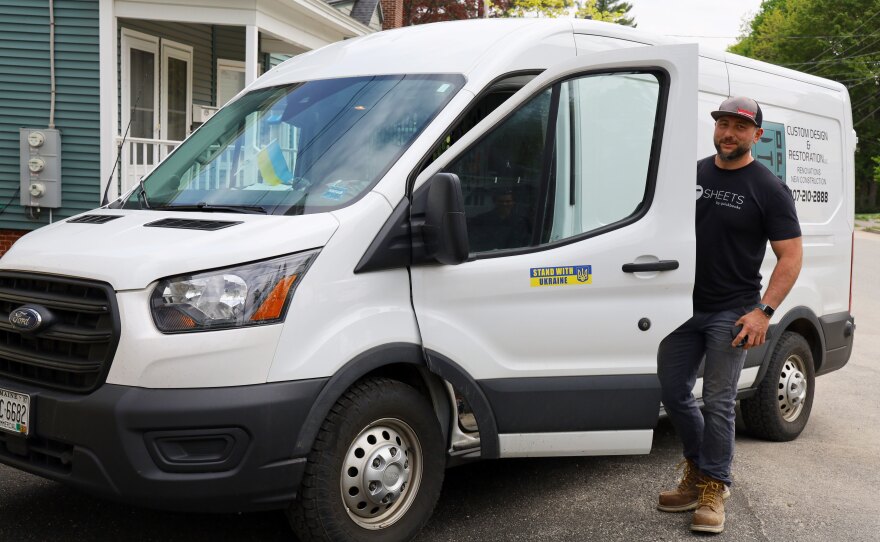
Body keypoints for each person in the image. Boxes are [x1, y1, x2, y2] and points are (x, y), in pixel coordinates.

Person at [656, 97, 803, 534]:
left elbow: (791, 257)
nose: (728, 133)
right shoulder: (691, 174)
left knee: (719, 402)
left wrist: (764, 312)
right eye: (722, 124)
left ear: (757, 135)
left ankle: (714, 488)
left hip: (733, 312)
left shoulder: (769, 188)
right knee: (673, 392)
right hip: (679, 309)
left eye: (740, 127)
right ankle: (698, 470)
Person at [467, 189, 532, 252]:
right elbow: (474, 242)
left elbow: (524, 243)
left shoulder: (521, 222)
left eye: (508, 201)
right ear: (495, 202)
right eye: (501, 201)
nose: (504, 204)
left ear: (513, 202)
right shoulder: (482, 219)